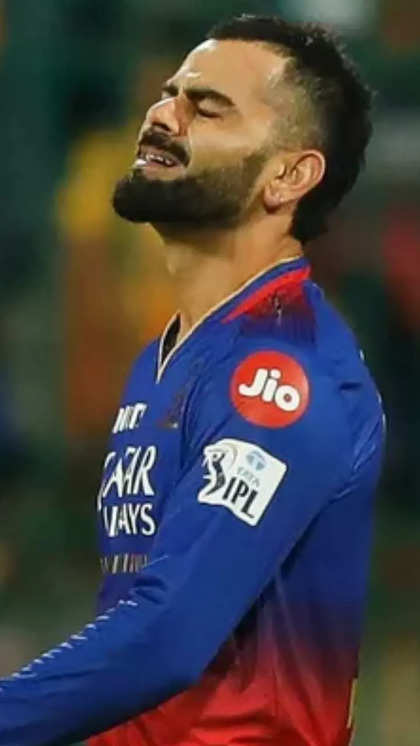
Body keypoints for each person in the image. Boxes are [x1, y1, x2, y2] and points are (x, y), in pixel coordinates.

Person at [0, 14, 385, 746]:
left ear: (290, 176)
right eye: (171, 93)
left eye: (207, 108)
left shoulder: (282, 375)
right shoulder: (167, 357)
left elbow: (167, 638)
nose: (162, 114)